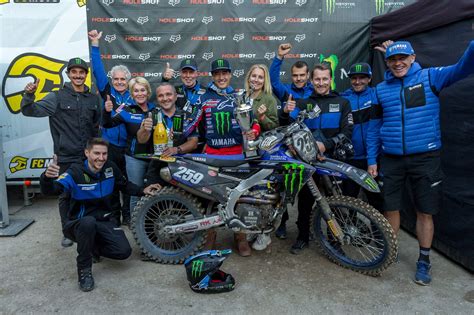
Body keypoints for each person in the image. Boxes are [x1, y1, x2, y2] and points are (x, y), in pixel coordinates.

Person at [367, 40, 474, 285]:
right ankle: (389, 251)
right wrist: (372, 159)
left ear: (413, 58)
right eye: (393, 60)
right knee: (390, 208)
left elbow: (464, 68)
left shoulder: (430, 78)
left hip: (425, 158)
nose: (398, 63)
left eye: (403, 57)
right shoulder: (381, 89)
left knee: (424, 211)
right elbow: (373, 128)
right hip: (391, 159)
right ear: (387, 64)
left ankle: (423, 260)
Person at [40, 138, 160, 292]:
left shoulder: (110, 168)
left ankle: (92, 248)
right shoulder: (74, 172)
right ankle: (84, 271)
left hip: (103, 221)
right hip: (78, 224)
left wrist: (143, 190)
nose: (101, 158)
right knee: (87, 223)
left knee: (123, 252)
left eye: (104, 154)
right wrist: (46, 178)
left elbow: (124, 185)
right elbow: (52, 191)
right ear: (87, 153)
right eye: (96, 153)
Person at [183, 58, 261, 256]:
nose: (221, 77)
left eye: (224, 73)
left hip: (237, 155)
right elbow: (188, 127)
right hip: (212, 156)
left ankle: (240, 236)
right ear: (212, 76)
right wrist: (188, 117)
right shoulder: (202, 98)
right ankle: (210, 236)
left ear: (230, 75)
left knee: (241, 197)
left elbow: (253, 123)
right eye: (217, 74)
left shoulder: (239, 96)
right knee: (210, 198)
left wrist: (254, 131)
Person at [21, 57, 100, 248]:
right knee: (65, 194)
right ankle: (67, 231)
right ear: (68, 74)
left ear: (86, 75)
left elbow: (97, 125)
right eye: (74, 72)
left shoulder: (93, 98)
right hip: (66, 155)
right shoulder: (56, 97)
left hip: (88, 157)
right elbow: (29, 110)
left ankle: (89, 229)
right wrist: (28, 95)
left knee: (89, 192)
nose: (78, 75)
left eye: (82, 72)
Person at [280, 63, 353, 254]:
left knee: (334, 203)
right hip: (308, 163)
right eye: (317, 79)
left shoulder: (343, 102)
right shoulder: (303, 103)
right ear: (311, 81)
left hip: (333, 161)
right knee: (305, 203)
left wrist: (325, 145)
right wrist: (286, 112)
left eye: (324, 79)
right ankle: (302, 236)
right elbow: (287, 127)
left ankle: (334, 240)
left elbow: (347, 131)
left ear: (331, 79)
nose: (321, 83)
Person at [88, 29, 134, 226]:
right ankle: (114, 215)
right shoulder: (107, 93)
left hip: (129, 148)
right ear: (112, 80)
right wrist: (96, 45)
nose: (119, 82)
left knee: (128, 183)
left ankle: (128, 214)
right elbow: (98, 69)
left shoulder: (135, 96)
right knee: (112, 181)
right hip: (110, 147)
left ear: (129, 81)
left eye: (123, 79)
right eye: (116, 79)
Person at [270, 44, 313, 239]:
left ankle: (303, 227)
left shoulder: (316, 92)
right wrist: (279, 57)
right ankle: (281, 223)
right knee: (284, 188)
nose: (298, 79)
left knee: (307, 193)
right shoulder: (286, 91)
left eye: (302, 75)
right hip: (288, 149)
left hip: (309, 149)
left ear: (308, 75)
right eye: (295, 75)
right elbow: (272, 80)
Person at [102, 77, 156, 213]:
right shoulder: (127, 111)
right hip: (134, 158)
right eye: (136, 91)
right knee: (136, 194)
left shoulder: (157, 110)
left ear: (148, 92)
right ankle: (135, 226)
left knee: (155, 192)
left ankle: (149, 224)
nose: (140, 93)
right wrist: (107, 112)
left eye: (142, 90)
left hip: (155, 159)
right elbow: (108, 124)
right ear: (132, 94)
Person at [244, 64, 279, 250]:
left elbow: (275, 127)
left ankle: (264, 233)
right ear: (249, 77)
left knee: (261, 193)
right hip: (244, 151)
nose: (256, 80)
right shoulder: (243, 96)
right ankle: (251, 226)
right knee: (247, 192)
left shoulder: (269, 99)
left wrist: (263, 117)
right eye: (254, 76)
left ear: (264, 80)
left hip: (262, 151)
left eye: (260, 77)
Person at [137, 83, 199, 186]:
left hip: (182, 168)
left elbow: (193, 142)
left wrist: (176, 149)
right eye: (161, 95)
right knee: (154, 200)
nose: (165, 98)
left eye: (168, 94)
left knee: (182, 200)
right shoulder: (151, 115)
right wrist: (145, 129)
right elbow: (141, 140)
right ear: (157, 99)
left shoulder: (186, 116)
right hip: (157, 167)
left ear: (175, 97)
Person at [340, 63, 383, 210]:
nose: (357, 81)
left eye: (362, 77)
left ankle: (377, 234)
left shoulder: (377, 94)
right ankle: (350, 232)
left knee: (376, 202)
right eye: (354, 78)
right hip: (351, 159)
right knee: (349, 202)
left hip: (374, 159)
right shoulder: (343, 99)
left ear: (370, 78)